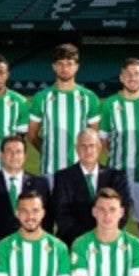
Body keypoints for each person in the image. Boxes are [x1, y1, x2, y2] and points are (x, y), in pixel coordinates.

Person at [99, 57, 139, 236]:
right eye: (128, 74)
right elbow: (103, 141)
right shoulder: (110, 104)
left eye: (136, 73)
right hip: (115, 175)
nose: (132, 77)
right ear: (121, 77)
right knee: (111, 222)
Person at [27, 44, 99, 183]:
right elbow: (32, 135)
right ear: (54, 66)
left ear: (77, 66)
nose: (65, 68)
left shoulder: (89, 97)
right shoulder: (41, 97)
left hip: (81, 171)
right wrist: (48, 151)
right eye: (60, 64)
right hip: (50, 171)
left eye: (69, 64)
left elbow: (93, 137)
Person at [51, 130, 131, 244]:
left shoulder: (116, 177)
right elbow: (61, 215)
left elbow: (123, 211)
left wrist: (103, 235)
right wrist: (88, 240)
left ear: (99, 147)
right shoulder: (63, 178)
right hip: (74, 242)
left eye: (91, 146)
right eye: (83, 146)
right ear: (77, 149)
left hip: (109, 241)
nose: (88, 150)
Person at [0, 135, 52, 249]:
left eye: (18, 152)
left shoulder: (39, 184)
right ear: (2, 155)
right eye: (9, 151)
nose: (14, 156)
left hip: (33, 246)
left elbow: (47, 220)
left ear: (25, 156)